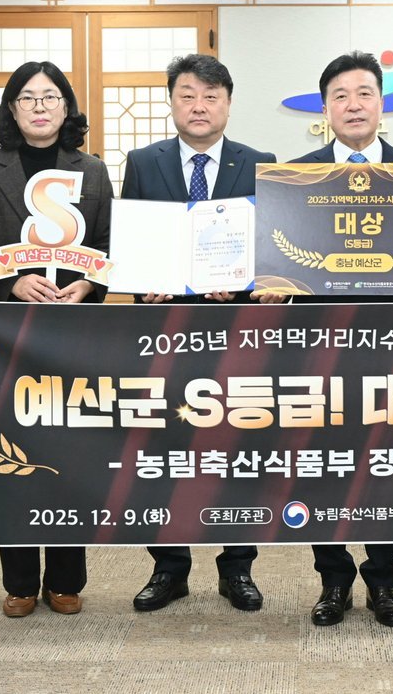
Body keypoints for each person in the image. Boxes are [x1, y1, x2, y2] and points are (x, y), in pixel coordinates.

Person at [120, 53, 277, 613]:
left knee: (238, 450)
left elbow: (272, 247)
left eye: (211, 96)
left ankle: (238, 568)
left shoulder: (260, 162)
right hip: (165, 331)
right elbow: (132, 240)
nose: (199, 106)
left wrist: (245, 286)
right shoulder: (143, 161)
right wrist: (143, 286)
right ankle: (169, 567)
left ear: (228, 104)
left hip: (237, 331)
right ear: (172, 102)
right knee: (166, 450)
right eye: (187, 95)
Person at [0, 60, 112, 618]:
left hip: (74, 335)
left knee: (71, 457)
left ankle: (67, 579)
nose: (40, 106)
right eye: (28, 97)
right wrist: (10, 282)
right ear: (12, 107)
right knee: (13, 455)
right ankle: (21, 581)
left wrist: (87, 285)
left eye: (51, 96)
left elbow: (108, 243)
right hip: (7, 335)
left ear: (67, 107)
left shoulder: (92, 170)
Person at [289, 50, 393, 629]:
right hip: (318, 348)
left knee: (386, 465)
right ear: (325, 109)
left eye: (364, 93)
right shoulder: (295, 177)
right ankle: (334, 580)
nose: (353, 104)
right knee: (324, 465)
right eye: (340, 95)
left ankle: (384, 582)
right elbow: (283, 264)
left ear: (382, 104)